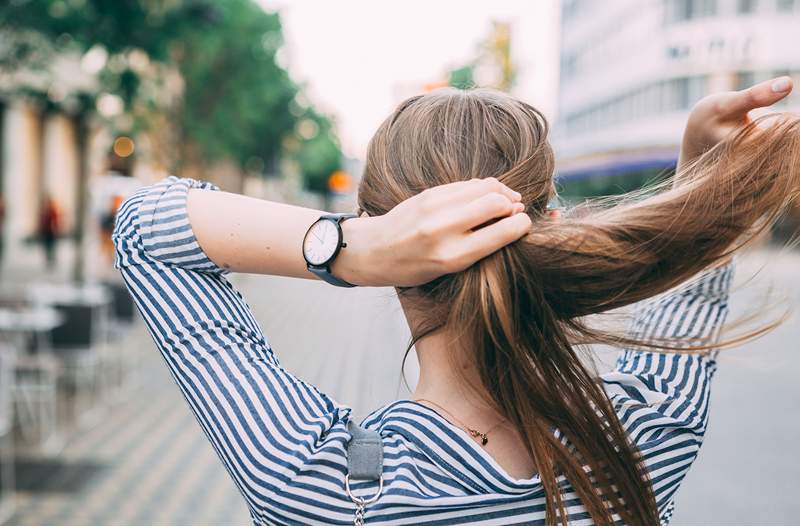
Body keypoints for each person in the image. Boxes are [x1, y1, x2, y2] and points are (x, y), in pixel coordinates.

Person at [112, 77, 798, 525]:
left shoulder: (313, 481)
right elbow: (697, 253)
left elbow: (146, 227)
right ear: (547, 220)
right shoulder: (637, 442)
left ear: (390, 234)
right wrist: (710, 176)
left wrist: (350, 250)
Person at [39, 195, 61, 269]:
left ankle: (52, 260)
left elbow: (56, 221)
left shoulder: (53, 211)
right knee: (47, 247)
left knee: (52, 246)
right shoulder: (45, 211)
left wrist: (55, 229)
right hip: (46, 232)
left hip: (51, 232)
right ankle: (48, 260)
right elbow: (42, 221)